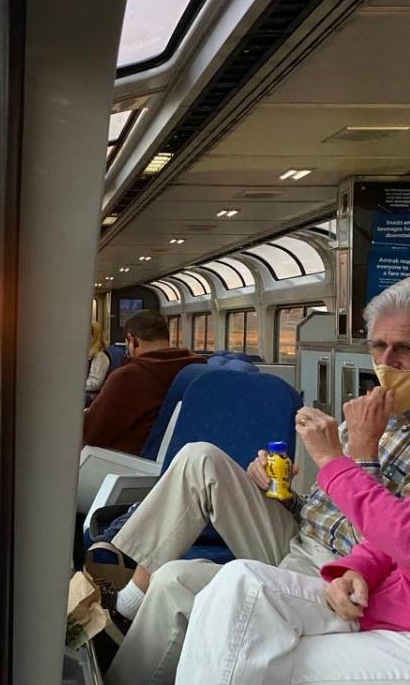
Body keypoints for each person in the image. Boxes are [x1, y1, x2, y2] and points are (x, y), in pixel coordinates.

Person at [103, 277, 410, 685]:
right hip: (298, 539)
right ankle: (121, 612)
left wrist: (357, 455)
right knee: (200, 458)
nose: (388, 361)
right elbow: (329, 509)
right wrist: (280, 496)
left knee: (176, 582)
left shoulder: (372, 432)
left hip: (345, 575)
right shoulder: (368, 416)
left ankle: (118, 603)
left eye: (404, 348)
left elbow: (383, 542)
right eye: (378, 347)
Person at [175, 409, 410, 683]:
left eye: (400, 363)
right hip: (343, 571)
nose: (386, 368)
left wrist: (348, 458)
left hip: (356, 586)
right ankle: (125, 602)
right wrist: (284, 495)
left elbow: (390, 533)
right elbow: (378, 538)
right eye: (377, 362)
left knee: (248, 606)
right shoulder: (369, 419)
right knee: (175, 580)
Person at [83, 310, 203, 455]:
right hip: (176, 457)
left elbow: (91, 433)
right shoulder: (196, 369)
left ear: (132, 340)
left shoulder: (129, 376)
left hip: (122, 459)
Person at [85, 321, 110, 406]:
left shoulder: (100, 356)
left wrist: (76, 386)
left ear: (93, 336)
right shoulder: (85, 354)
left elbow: (95, 383)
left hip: (91, 397)